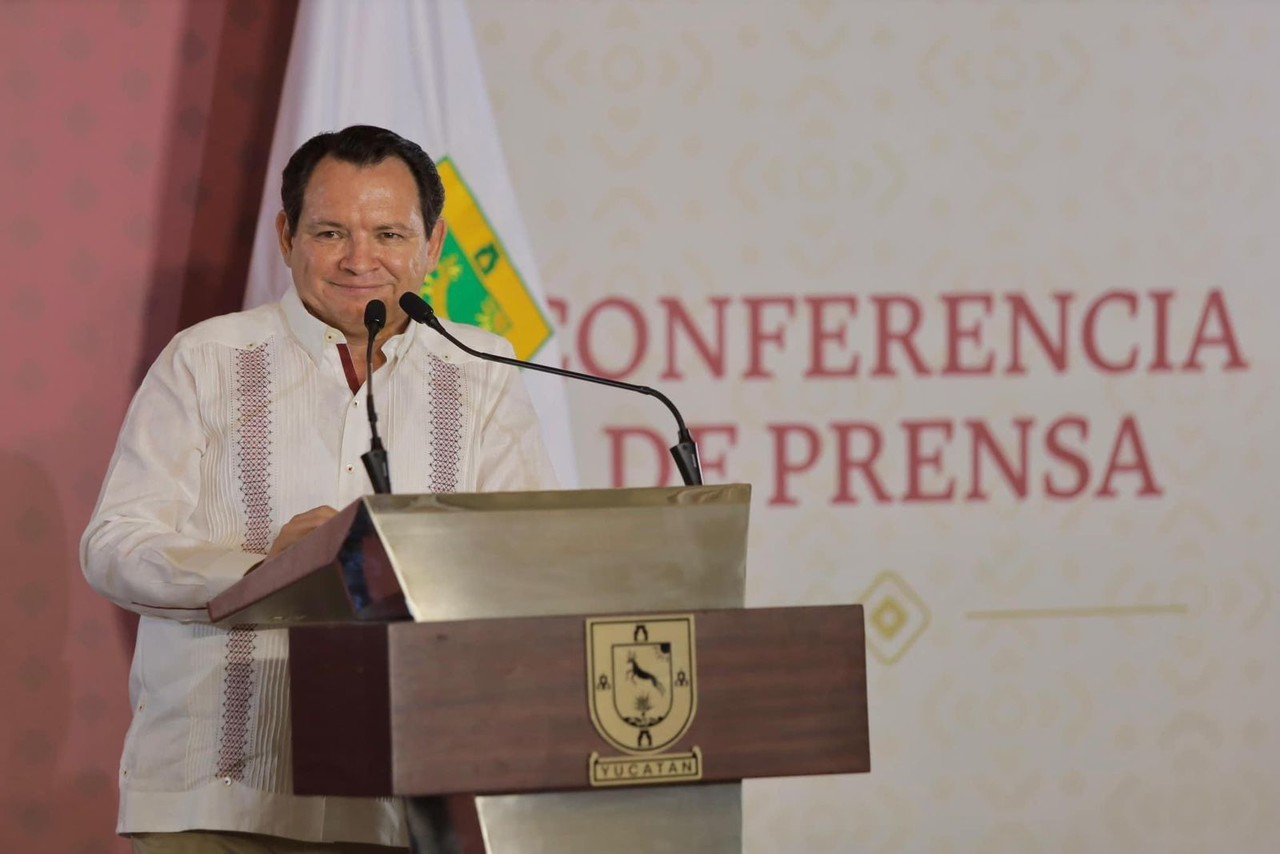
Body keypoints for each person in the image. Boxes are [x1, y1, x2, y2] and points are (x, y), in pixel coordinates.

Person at [81, 125, 559, 852]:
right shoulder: (206, 360)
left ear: (432, 247)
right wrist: (264, 573)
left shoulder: (483, 370)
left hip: (412, 798)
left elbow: (527, 561)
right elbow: (115, 546)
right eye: (331, 231)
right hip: (219, 796)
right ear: (286, 236)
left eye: (390, 234)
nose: (360, 260)